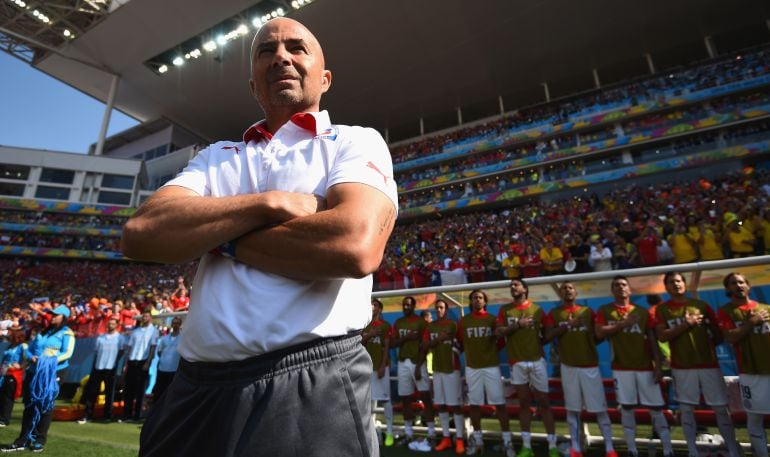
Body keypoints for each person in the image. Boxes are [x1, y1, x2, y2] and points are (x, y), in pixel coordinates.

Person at [121, 17, 397, 457]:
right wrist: (268, 204)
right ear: (253, 85)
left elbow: (353, 245)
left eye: (296, 47)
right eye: (266, 51)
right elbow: (141, 233)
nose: (281, 57)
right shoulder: (216, 156)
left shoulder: (355, 142)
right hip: (195, 388)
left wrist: (215, 237)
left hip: (310, 381)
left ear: (324, 78)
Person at [654, 272, 741, 457]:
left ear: (684, 284)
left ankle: (732, 450)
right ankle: (693, 451)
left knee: (720, 408)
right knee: (686, 409)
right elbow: (662, 336)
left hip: (709, 364)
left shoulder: (701, 305)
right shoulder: (662, 309)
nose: (676, 284)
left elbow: (718, 336)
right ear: (666, 287)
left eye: (678, 281)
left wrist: (708, 332)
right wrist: (686, 324)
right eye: (671, 282)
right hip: (682, 366)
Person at [594, 276, 673, 457]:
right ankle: (632, 449)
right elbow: (599, 332)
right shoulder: (605, 310)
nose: (621, 288)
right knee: (627, 406)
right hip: (621, 367)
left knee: (656, 408)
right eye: (616, 285)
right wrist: (624, 323)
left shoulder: (642, 312)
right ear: (612, 291)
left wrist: (658, 365)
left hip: (645, 366)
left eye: (623, 285)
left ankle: (668, 449)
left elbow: (652, 338)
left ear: (630, 290)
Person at [544, 282, 617, 457]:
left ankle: (609, 448)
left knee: (600, 408)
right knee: (573, 409)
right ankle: (575, 447)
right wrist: (567, 326)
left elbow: (597, 336)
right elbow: (547, 336)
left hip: (590, 366)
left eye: (570, 288)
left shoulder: (587, 312)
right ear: (560, 294)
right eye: (564, 289)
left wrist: (588, 344)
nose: (567, 290)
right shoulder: (554, 313)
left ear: (576, 292)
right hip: (568, 366)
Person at [495, 278, 558, 457]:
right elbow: (499, 332)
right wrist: (517, 325)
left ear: (525, 288)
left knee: (544, 403)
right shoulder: (505, 310)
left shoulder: (537, 309)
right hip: (517, 362)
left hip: (537, 361)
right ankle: (526, 446)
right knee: (524, 404)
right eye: (511, 285)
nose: (513, 287)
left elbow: (546, 334)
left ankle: (552, 446)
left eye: (516, 284)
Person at [1, 305, 75, 453]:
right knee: (29, 404)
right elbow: (28, 350)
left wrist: (46, 360)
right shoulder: (43, 333)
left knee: (45, 405)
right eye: (52, 314)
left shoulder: (67, 333)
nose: (52, 316)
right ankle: (23, 439)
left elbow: (67, 353)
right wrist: (32, 358)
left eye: (56, 315)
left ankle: (39, 439)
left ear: (64, 317)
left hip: (53, 373)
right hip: (34, 372)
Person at [716, 273, 770, 457]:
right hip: (749, 371)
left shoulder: (766, 308)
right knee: (754, 417)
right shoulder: (725, 311)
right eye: (733, 283)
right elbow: (730, 337)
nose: (738, 285)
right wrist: (751, 323)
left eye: (741, 282)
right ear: (727, 289)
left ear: (748, 286)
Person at [458, 289, 515, 457]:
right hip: (472, 368)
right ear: (471, 301)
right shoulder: (463, 321)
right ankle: (478, 440)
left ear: (485, 301)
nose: (477, 300)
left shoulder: (492, 320)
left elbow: (501, 342)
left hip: (491, 366)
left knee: (499, 404)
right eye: (474, 297)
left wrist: (490, 352)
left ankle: (507, 441)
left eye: (480, 297)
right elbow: (461, 342)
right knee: (474, 405)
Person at [391, 296, 435, 451]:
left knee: (426, 398)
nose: (406, 307)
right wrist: (406, 337)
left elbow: (425, 346)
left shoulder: (421, 323)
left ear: (414, 306)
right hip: (403, 363)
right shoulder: (398, 323)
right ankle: (408, 433)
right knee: (405, 399)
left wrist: (418, 366)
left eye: (408, 304)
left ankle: (431, 434)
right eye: (404, 304)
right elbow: (392, 344)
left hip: (418, 363)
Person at [422, 299, 465, 454]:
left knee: (455, 405)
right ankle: (446, 438)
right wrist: (438, 339)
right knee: (440, 404)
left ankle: (460, 439)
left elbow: (462, 343)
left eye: (441, 307)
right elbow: (424, 346)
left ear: (446, 309)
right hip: (437, 369)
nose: (439, 310)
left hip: (452, 369)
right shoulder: (431, 327)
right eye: (437, 308)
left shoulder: (453, 325)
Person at [361, 299, 394, 447]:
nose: (372, 307)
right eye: (370, 304)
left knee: (386, 399)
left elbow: (387, 347)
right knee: (366, 402)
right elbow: (360, 343)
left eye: (375, 305)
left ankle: (390, 432)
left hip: (381, 367)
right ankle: (371, 433)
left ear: (380, 309)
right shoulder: (363, 324)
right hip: (366, 367)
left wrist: (382, 365)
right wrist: (371, 334)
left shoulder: (385, 326)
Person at [79, 315, 123, 423]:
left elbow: (121, 352)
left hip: (111, 367)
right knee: (92, 391)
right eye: (109, 323)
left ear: (117, 325)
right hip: (98, 366)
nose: (110, 325)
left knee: (109, 393)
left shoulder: (120, 338)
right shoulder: (100, 338)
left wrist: (115, 363)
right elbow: (96, 352)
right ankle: (87, 415)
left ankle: (108, 415)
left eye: (113, 323)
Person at [121, 309, 159, 423]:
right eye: (143, 316)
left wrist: (148, 362)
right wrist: (126, 363)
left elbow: (153, 347)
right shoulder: (136, 331)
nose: (144, 318)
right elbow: (130, 349)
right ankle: (126, 414)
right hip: (133, 360)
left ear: (151, 318)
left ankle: (137, 415)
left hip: (143, 361)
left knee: (140, 389)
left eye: (146, 316)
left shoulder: (154, 331)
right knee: (128, 389)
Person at [0, 328, 27, 427]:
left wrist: (20, 366)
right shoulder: (9, 346)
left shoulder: (23, 346)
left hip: (13, 374)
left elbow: (27, 359)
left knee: (8, 397)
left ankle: (4, 419)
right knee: (1, 395)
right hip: (4, 372)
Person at [152, 316, 182, 402]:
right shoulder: (164, 338)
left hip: (174, 370)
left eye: (177, 323)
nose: (175, 325)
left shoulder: (182, 338)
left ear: (180, 325)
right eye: (174, 323)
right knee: (160, 391)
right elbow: (159, 352)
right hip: (162, 368)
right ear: (171, 324)